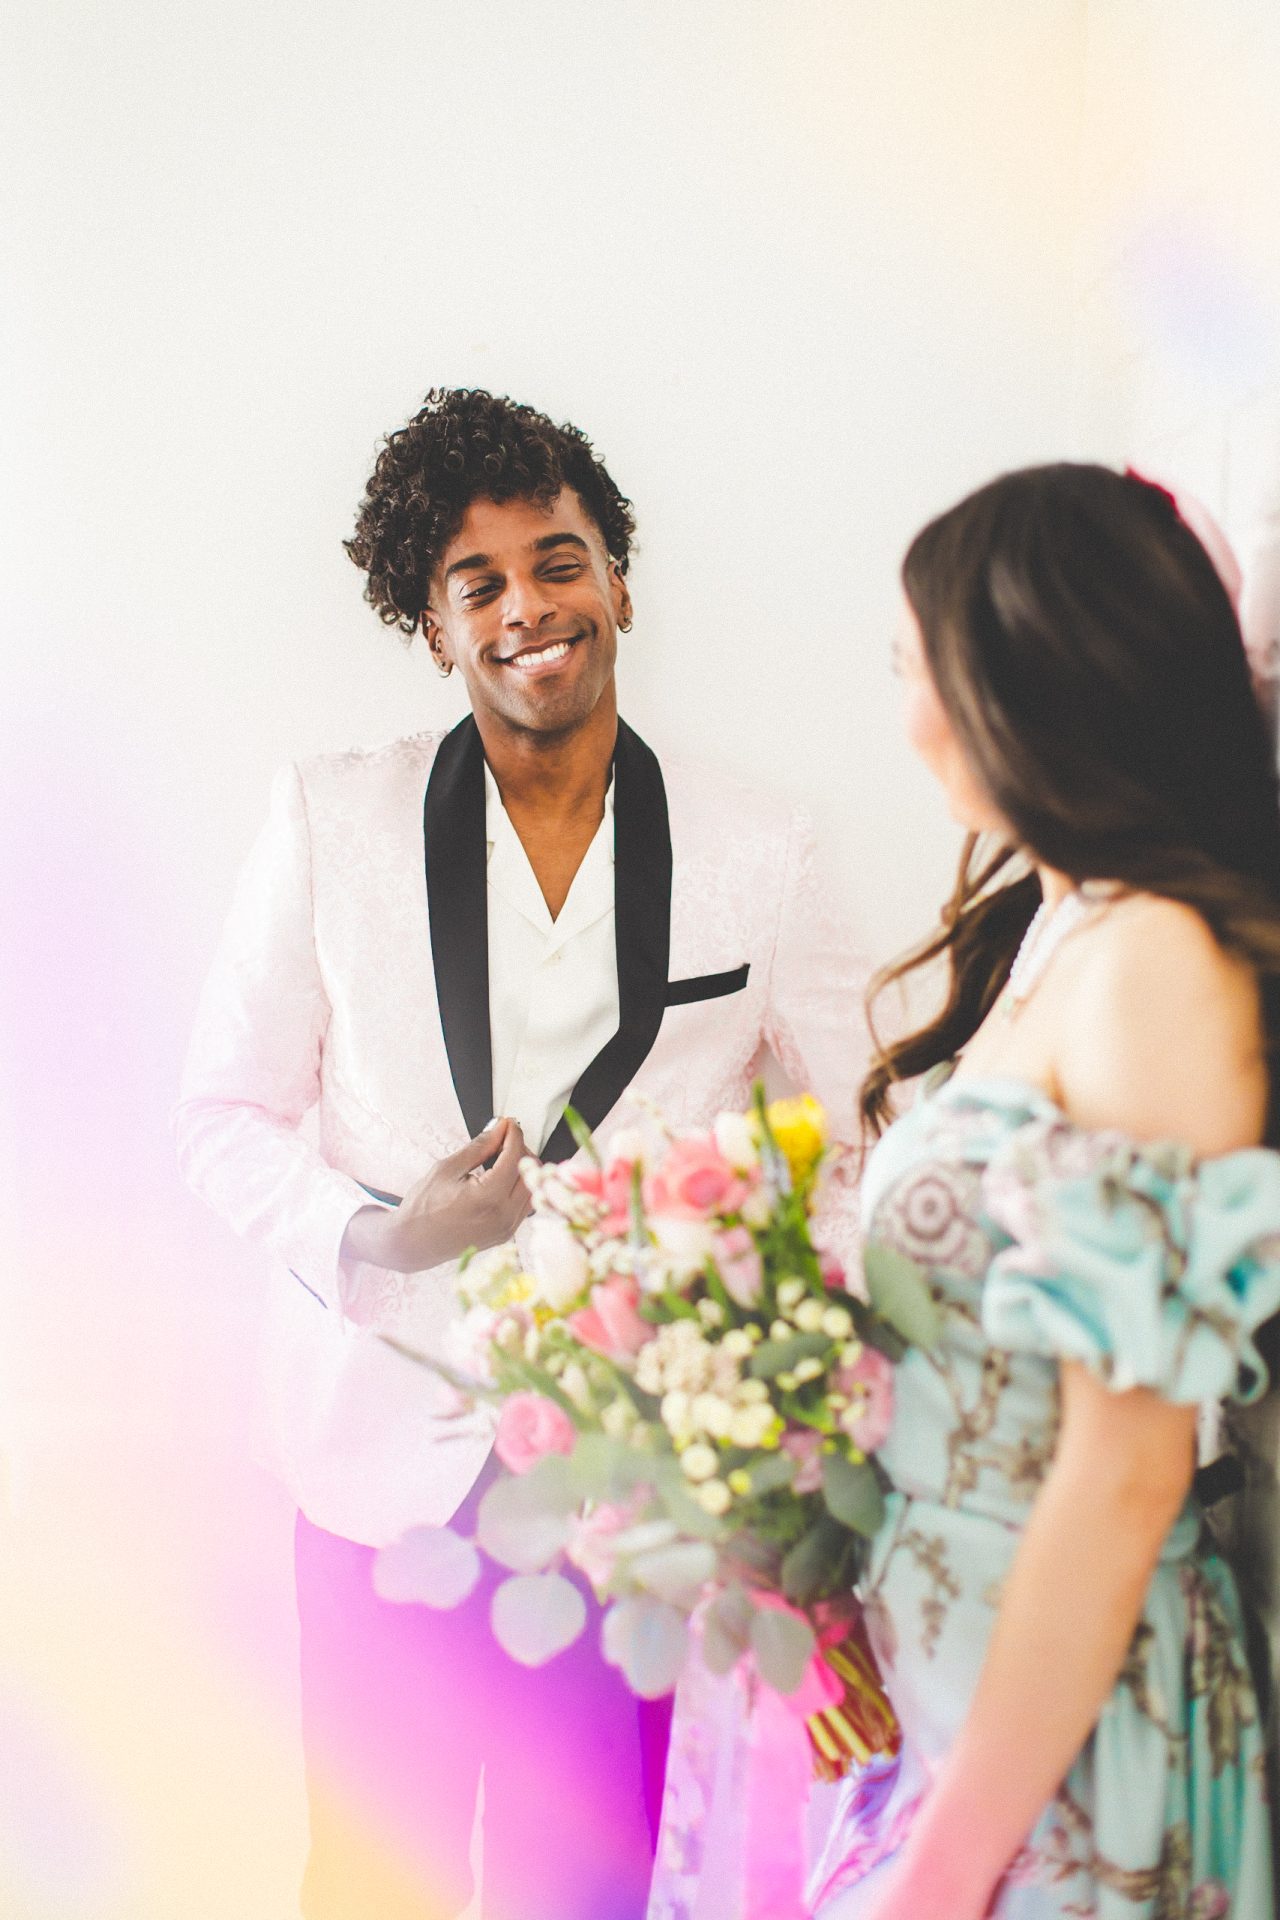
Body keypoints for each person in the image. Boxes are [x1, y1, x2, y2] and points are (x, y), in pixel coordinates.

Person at [172, 387, 868, 1920]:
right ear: (432, 628)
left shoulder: (767, 850)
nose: (527, 608)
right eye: (475, 583)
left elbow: (861, 1140)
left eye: (558, 561)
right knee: (372, 1886)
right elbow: (219, 1113)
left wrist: (788, 1367)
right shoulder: (327, 821)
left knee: (596, 1888)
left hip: (640, 1490)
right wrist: (385, 1238)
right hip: (378, 1471)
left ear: (620, 579)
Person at [802, 462, 1280, 1917]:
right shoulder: (1053, 921)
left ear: (1030, 676)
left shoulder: (1152, 962)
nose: (907, 711)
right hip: (949, 1674)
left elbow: (1127, 1465)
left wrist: (947, 1868)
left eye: (918, 664)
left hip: (1071, 1722)